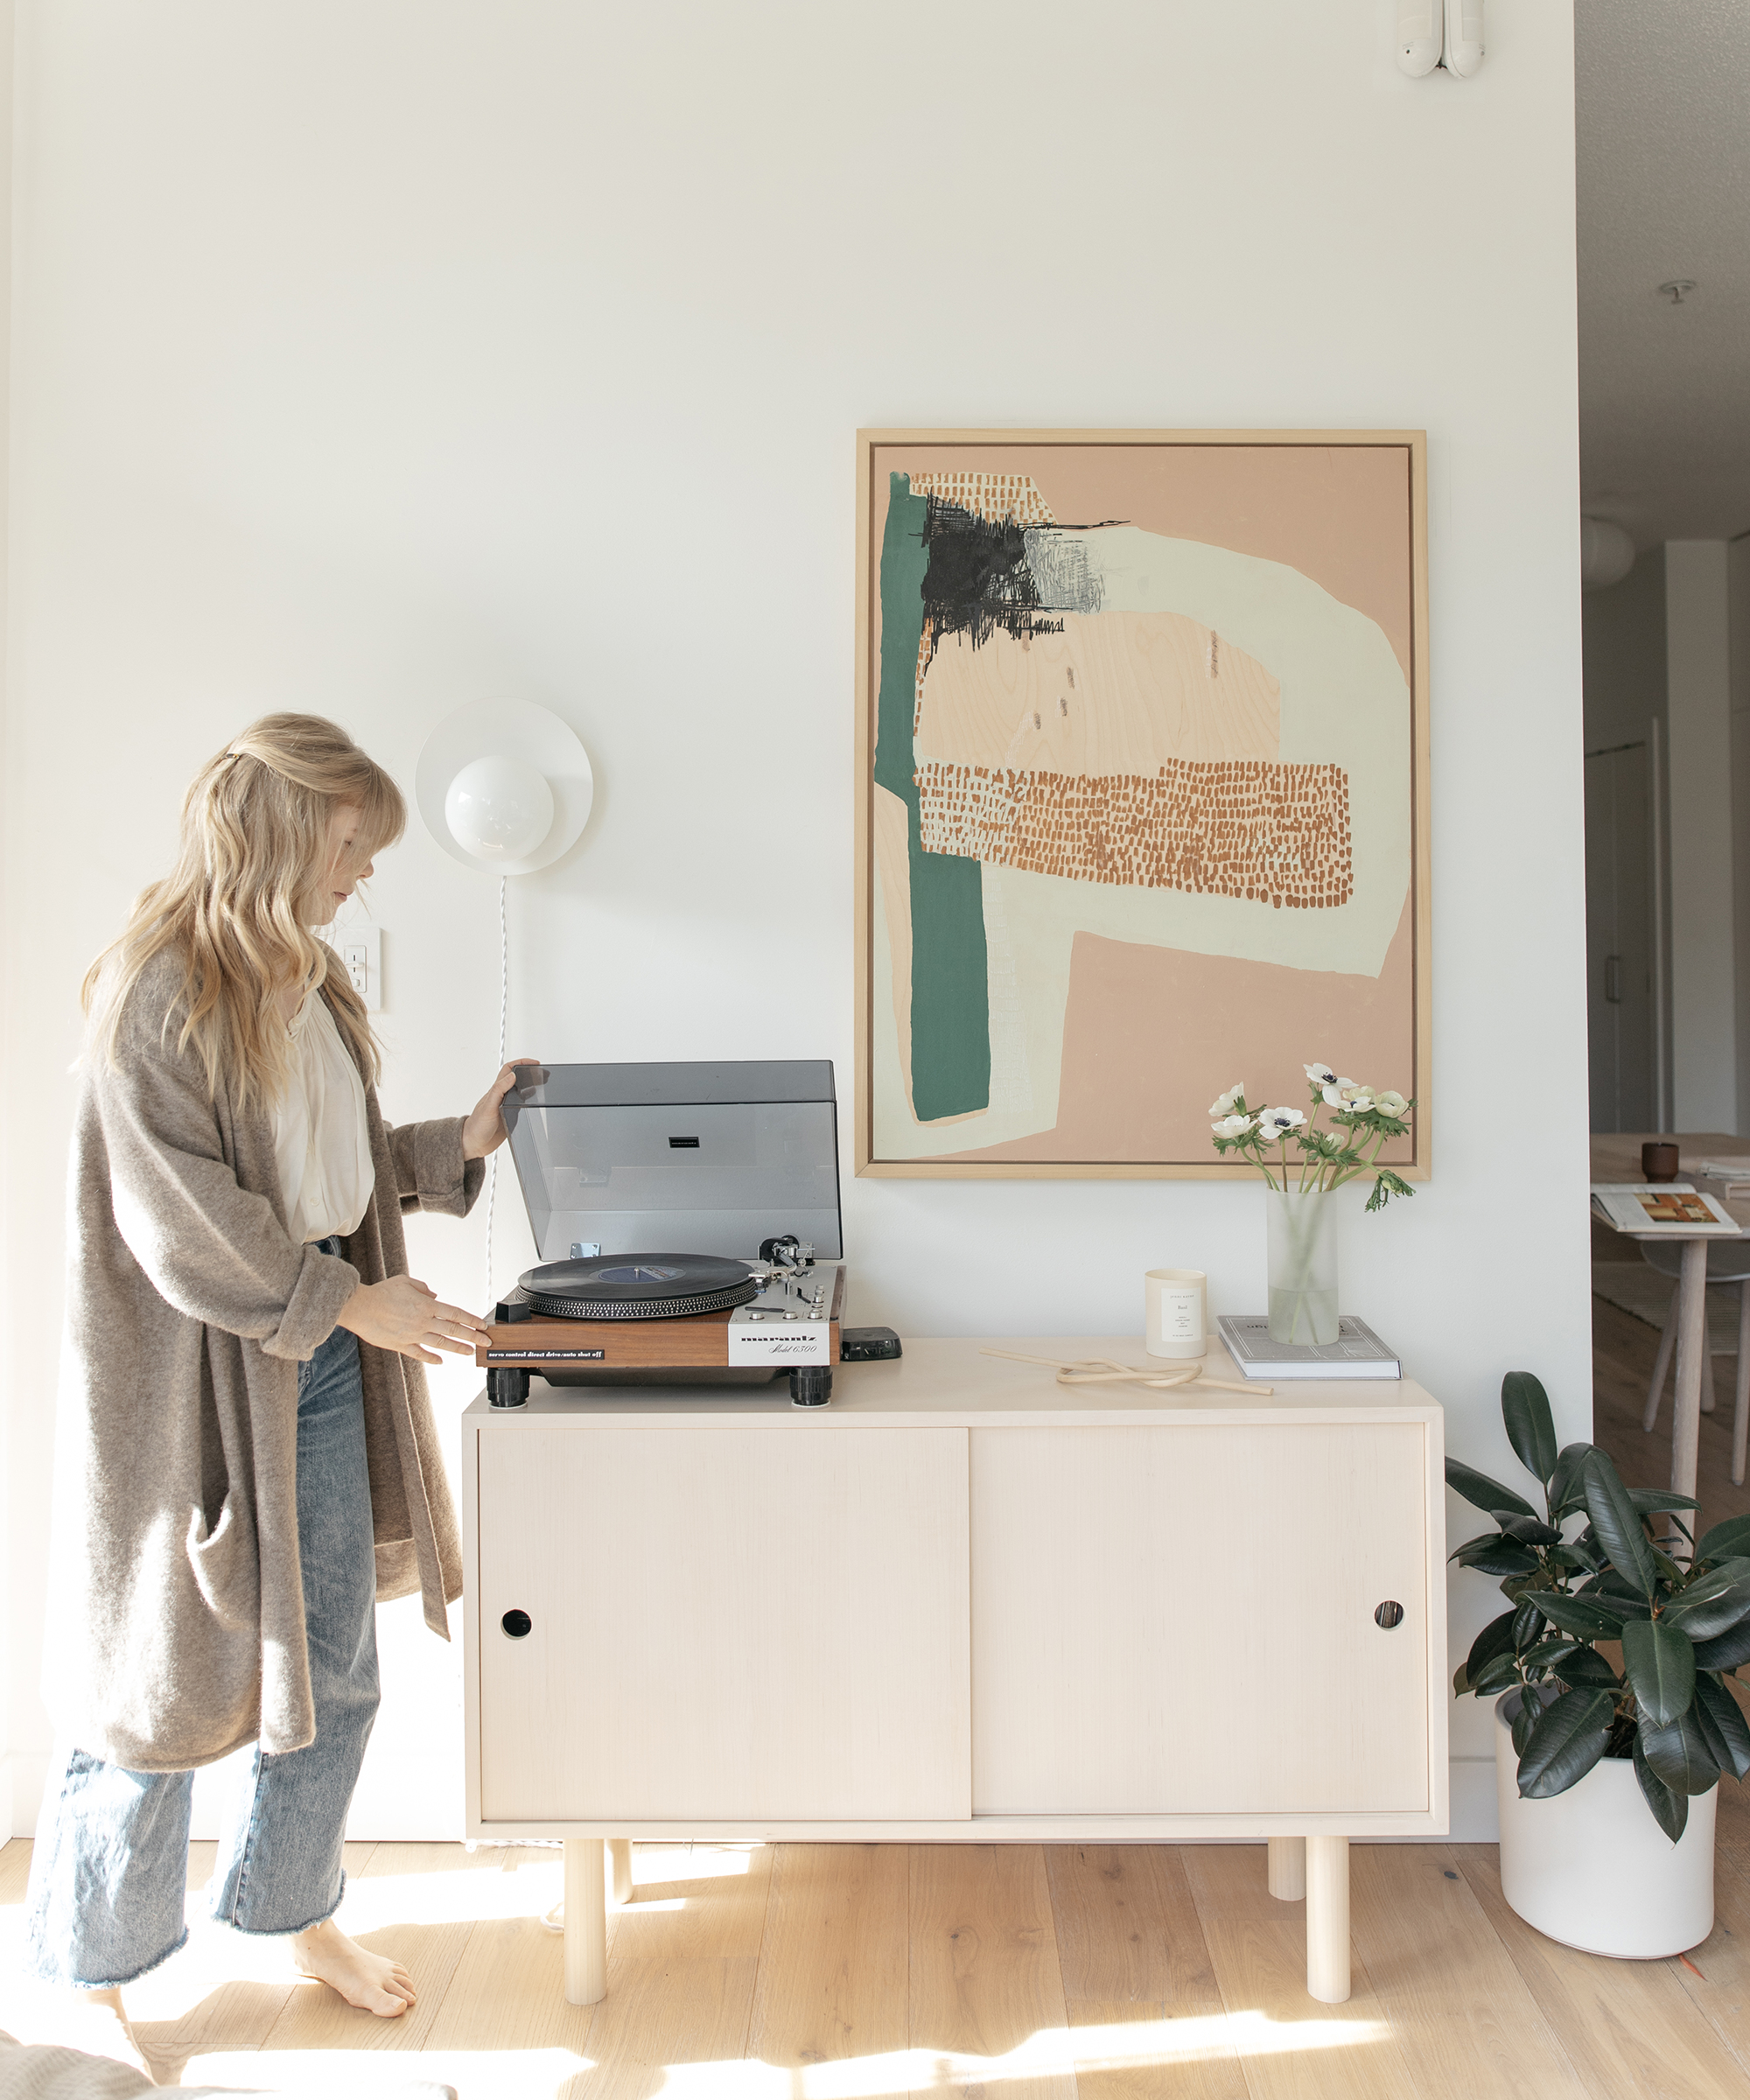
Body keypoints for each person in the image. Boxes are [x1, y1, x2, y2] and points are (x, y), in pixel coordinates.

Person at [24, 713, 529, 2045]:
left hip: (311, 1367)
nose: (363, 874)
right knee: (161, 1690)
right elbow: (177, 1212)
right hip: (197, 1393)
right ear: (287, 831)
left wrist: (456, 1141)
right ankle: (90, 1972)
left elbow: (332, 1174)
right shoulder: (159, 991)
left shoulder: (313, 980)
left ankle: (293, 1912)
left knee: (340, 1667)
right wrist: (352, 1302)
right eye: (353, 845)